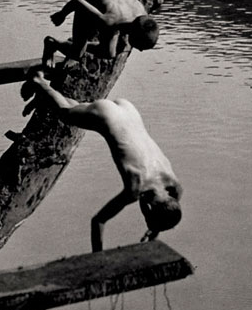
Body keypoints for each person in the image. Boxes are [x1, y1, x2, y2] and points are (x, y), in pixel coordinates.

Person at [21, 68, 182, 251]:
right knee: (65, 113)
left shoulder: (174, 185)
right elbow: (98, 221)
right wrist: (98, 258)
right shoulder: (135, 187)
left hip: (127, 110)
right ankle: (39, 81)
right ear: (151, 209)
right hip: (106, 116)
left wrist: (154, 230)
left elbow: (157, 203)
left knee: (76, 111)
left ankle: (45, 96)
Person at [43, 0, 159, 67]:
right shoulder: (109, 20)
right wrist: (62, 14)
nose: (141, 50)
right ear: (134, 35)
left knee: (110, 53)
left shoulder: (141, 14)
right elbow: (78, 2)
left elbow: (125, 29)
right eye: (141, 47)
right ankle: (52, 43)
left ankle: (77, 44)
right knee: (77, 53)